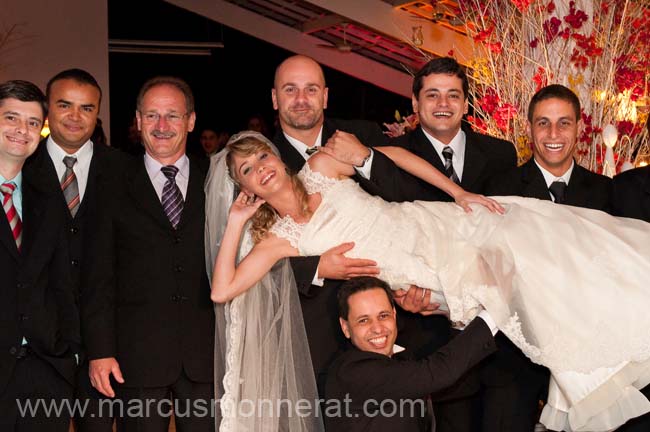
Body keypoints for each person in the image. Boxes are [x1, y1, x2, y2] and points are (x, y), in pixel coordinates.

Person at [207, 130, 650, 432]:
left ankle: (629, 315)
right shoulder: (279, 240)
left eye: (262, 156)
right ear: (246, 188)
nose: (260, 168)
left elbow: (394, 155)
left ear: (277, 158)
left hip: (438, 228)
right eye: (246, 170)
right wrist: (235, 221)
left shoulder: (322, 164)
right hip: (426, 276)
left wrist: (456, 192)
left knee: (550, 249)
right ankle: (601, 368)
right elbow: (222, 290)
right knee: (526, 304)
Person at [271, 55, 432, 395]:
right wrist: (316, 266)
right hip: (312, 334)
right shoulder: (261, 163)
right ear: (275, 98)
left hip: (388, 323)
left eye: (311, 89)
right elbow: (251, 258)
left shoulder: (363, 133)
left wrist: (364, 158)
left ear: (325, 96)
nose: (302, 99)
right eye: (290, 90)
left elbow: (411, 197)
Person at [386, 57, 517, 431]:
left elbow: (508, 235)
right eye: (432, 95)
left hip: (490, 336)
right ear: (414, 102)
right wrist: (395, 292)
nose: (443, 104)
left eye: (453, 95)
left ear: (465, 102)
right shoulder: (393, 158)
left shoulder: (500, 154)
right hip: (421, 332)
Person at [82, 76, 215, 431]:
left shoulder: (218, 181)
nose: (161, 126)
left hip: (207, 356)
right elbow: (97, 275)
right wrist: (99, 350)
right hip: (135, 356)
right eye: (151, 115)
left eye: (172, 115)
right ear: (138, 121)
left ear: (190, 121)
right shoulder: (109, 183)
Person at [483, 84, 613, 432]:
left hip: (585, 357)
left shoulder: (606, 193)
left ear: (579, 129)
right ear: (528, 128)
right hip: (514, 356)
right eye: (543, 123)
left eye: (564, 123)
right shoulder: (499, 189)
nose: (553, 134)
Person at [23, 68, 124, 432]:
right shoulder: (20, 167)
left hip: (105, 347)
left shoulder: (123, 169)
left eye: (86, 108)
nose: (75, 116)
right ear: (48, 109)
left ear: (98, 114)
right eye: (65, 105)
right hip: (36, 348)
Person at [0, 80, 78, 431]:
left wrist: (69, 351)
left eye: (33, 123)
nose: (22, 130)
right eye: (11, 118)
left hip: (46, 371)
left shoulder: (47, 200)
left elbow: (63, 281)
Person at [325, 276, 498, 432]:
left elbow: (459, 383)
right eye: (364, 320)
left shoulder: (401, 361)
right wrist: (497, 309)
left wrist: (455, 317)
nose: (377, 328)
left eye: (383, 316)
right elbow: (439, 372)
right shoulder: (352, 371)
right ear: (345, 327)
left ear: (394, 315)